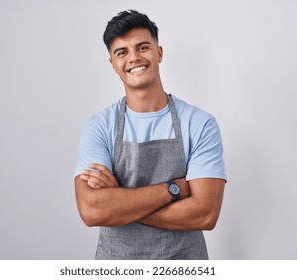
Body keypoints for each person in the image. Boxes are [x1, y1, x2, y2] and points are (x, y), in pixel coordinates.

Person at [74, 10, 226, 260]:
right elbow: (92, 210)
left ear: (159, 53)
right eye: (122, 52)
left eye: (143, 47)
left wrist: (119, 203)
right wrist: (174, 189)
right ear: (113, 64)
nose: (134, 58)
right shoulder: (99, 126)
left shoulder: (199, 124)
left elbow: (205, 214)